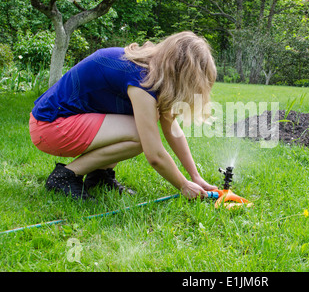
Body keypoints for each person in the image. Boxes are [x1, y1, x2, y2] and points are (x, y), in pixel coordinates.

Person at [29, 31, 218, 201]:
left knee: (139, 129)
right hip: (50, 126)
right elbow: (154, 155)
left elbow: (171, 127)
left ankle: (100, 177)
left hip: (60, 123)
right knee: (139, 135)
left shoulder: (151, 72)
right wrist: (183, 185)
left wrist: (195, 176)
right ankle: (65, 176)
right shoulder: (141, 80)